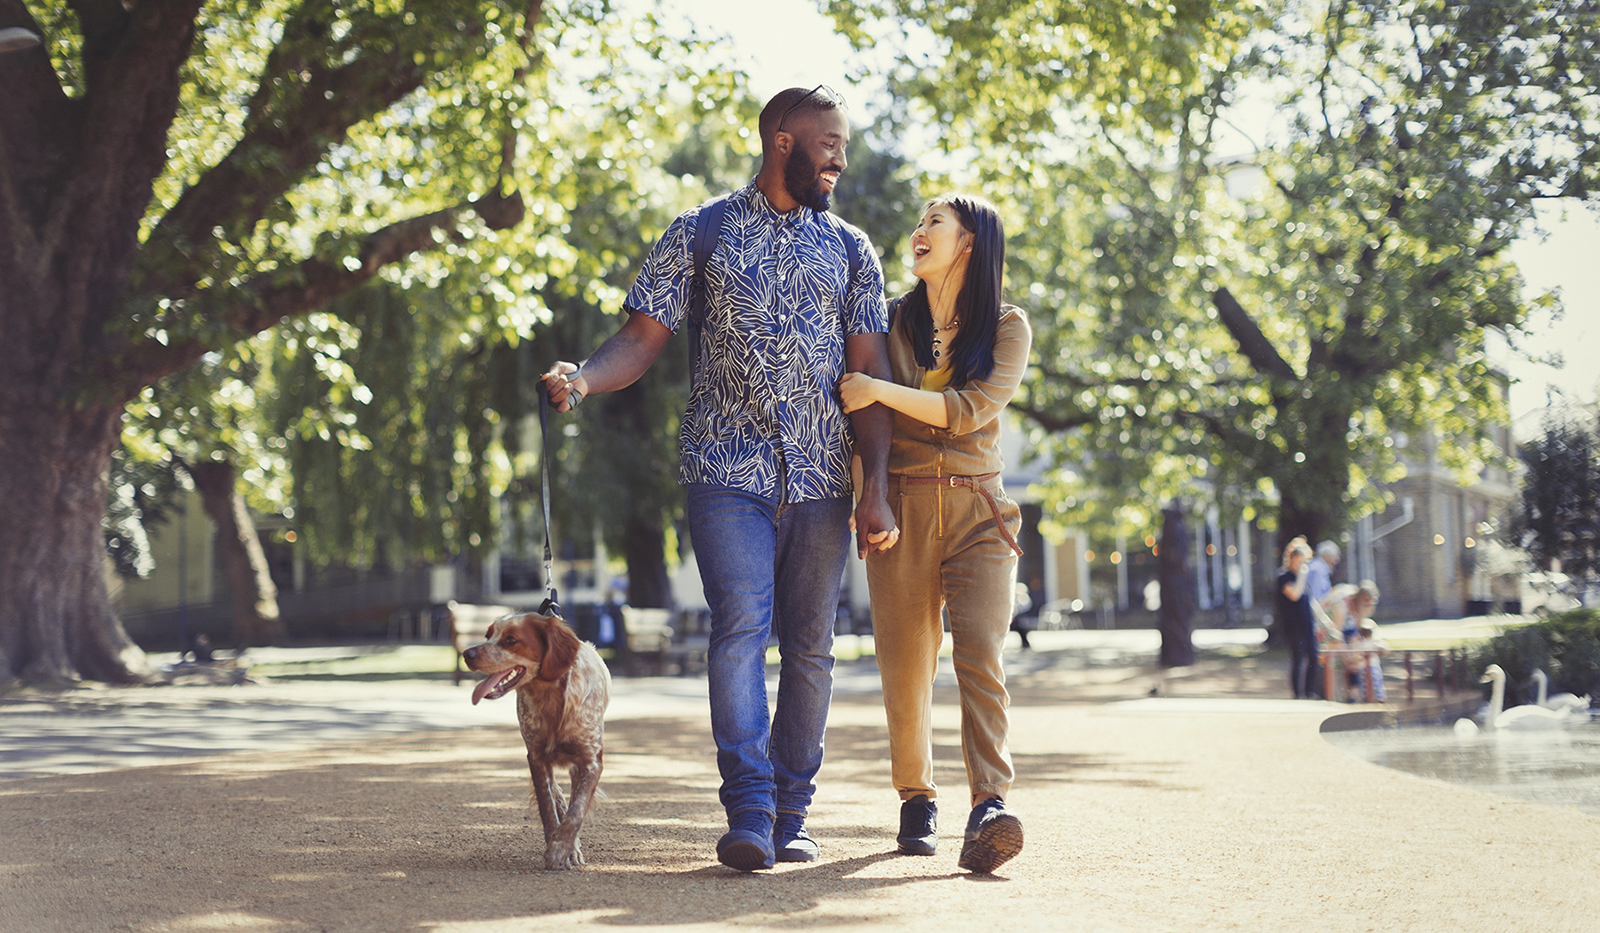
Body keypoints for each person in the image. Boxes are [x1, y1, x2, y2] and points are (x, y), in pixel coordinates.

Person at [541, 86, 899, 872]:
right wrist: (584, 380)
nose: (839, 157)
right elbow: (640, 339)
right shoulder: (700, 233)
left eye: (843, 144)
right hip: (723, 468)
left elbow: (868, 375)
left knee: (809, 646)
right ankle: (750, 809)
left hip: (821, 475)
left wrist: (875, 487)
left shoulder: (851, 250)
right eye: (828, 142)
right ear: (782, 140)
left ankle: (793, 813)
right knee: (739, 627)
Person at [838, 193, 1032, 874]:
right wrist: (870, 498)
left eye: (934, 223)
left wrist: (878, 389)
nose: (918, 232)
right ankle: (916, 795)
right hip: (902, 507)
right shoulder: (889, 321)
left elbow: (969, 410)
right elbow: (865, 428)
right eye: (918, 221)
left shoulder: (1008, 327)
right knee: (906, 665)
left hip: (981, 512)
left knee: (980, 656)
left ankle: (990, 802)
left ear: (971, 241)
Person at [1278, 537, 1318, 699]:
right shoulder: (1284, 577)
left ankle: (1309, 691)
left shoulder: (1303, 580)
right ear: (1291, 558)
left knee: (1313, 659)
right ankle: (1297, 694)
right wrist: (1301, 576)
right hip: (1293, 627)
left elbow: (1311, 603)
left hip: (1307, 625)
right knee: (1298, 660)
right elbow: (1294, 595)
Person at [1306, 540, 1340, 607]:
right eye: (1335, 557)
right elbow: (1316, 598)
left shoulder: (1320, 569)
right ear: (1326, 556)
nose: (1336, 561)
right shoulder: (1317, 570)